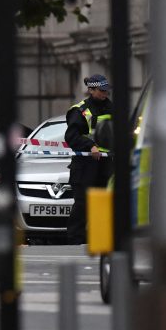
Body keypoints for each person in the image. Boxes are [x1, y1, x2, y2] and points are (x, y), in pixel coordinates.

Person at [64, 74, 113, 245]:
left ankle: (100, 237)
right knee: (83, 204)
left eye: (106, 90)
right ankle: (75, 239)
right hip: (85, 166)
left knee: (104, 203)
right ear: (91, 90)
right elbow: (71, 136)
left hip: (105, 166)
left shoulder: (111, 107)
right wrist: (89, 146)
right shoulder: (81, 110)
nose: (105, 93)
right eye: (101, 90)